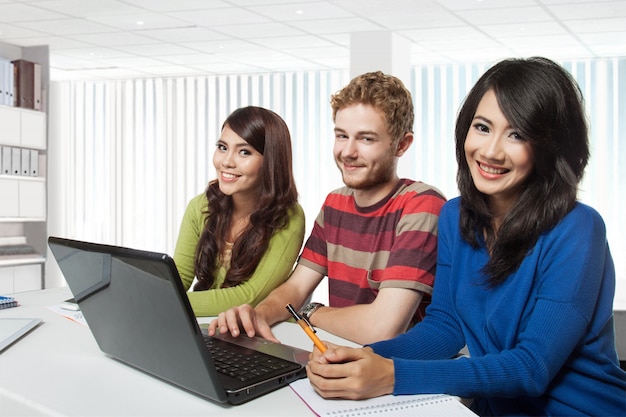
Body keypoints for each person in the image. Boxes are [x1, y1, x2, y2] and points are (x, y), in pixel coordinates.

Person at [305, 57, 626, 416]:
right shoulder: (455, 216)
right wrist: (363, 358)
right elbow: (445, 327)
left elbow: (532, 368)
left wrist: (393, 375)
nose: (490, 151)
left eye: (517, 134)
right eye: (483, 127)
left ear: (549, 146)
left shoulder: (579, 228)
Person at [208, 71, 446, 345]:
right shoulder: (335, 204)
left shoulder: (421, 205)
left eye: (366, 139)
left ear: (402, 145)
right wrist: (259, 315)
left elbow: (383, 329)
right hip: (340, 355)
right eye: (342, 136)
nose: (348, 151)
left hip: (393, 371)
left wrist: (310, 312)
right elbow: (296, 287)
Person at [173, 106, 305, 316]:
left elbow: (250, 296)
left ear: (270, 161)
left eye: (244, 152)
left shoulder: (288, 217)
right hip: (206, 326)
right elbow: (178, 277)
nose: (226, 161)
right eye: (222, 147)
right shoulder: (200, 206)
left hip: (256, 334)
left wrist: (167, 302)